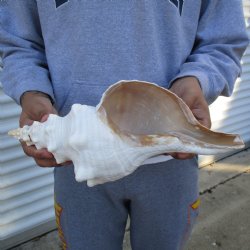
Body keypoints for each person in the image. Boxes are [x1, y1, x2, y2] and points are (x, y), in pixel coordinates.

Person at [0, 1, 248, 249]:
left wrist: (198, 79)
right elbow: (18, 43)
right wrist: (31, 89)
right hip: (77, 164)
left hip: (172, 168)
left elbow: (223, 41)